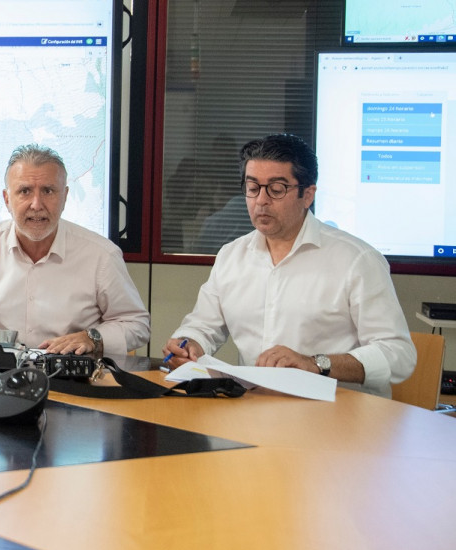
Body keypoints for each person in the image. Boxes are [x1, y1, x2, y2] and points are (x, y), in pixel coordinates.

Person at [162, 133, 415, 397]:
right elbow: (202, 326)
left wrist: (316, 363)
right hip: (253, 410)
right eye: (253, 188)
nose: (261, 200)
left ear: (307, 195)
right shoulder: (231, 256)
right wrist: (188, 344)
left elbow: (398, 354)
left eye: (276, 189)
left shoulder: (357, 260)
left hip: (337, 417)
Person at [0, 144, 150, 357]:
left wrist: (91, 337)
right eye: (24, 191)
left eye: (48, 191)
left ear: (65, 197)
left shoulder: (101, 255)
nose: (36, 204)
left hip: (70, 376)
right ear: (7, 199)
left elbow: (137, 325)